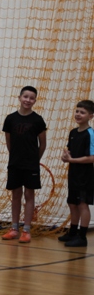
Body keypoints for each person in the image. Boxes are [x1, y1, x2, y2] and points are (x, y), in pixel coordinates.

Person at [1, 86, 47, 243]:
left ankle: (26, 230)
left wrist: (34, 159)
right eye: (25, 96)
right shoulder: (10, 119)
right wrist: (15, 156)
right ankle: (14, 228)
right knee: (16, 195)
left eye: (31, 98)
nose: (28, 100)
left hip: (31, 165)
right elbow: (9, 142)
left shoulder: (38, 120)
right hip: (15, 163)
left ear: (35, 101)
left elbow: (42, 144)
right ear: (19, 98)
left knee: (29, 194)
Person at [58, 100, 94, 247]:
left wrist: (72, 160)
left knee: (82, 204)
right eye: (77, 111)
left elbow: (91, 158)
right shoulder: (73, 132)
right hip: (73, 174)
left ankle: (82, 237)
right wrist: (66, 157)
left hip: (85, 176)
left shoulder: (90, 134)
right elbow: (70, 152)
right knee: (72, 203)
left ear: (90, 116)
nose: (78, 114)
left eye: (82, 112)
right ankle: (72, 233)